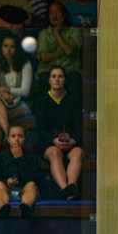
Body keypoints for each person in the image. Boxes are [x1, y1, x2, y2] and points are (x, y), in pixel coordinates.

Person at [34, 66, 83, 200]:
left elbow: (78, 128)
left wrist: (72, 140)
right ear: (49, 80)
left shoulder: (73, 100)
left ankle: (71, 186)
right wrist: (54, 140)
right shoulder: (41, 101)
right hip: (49, 141)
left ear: (65, 80)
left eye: (60, 76)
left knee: (78, 153)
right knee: (55, 152)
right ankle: (66, 189)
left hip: (70, 141)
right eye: (54, 76)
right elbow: (41, 130)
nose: (57, 79)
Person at [0, 35, 33, 154]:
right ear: (1, 48)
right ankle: (8, 132)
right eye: (5, 46)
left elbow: (25, 91)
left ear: (17, 49)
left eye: (12, 47)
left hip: (21, 104)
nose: (8, 49)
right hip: (2, 104)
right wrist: (3, 95)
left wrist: (5, 89)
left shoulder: (26, 64)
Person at [0, 124, 39, 218]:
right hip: (5, 190)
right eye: (13, 136)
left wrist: (19, 158)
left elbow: (33, 178)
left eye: (20, 136)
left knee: (32, 185)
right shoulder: (0, 156)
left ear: (25, 139)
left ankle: (26, 207)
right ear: (8, 139)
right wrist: (7, 181)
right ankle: (3, 208)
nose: (17, 139)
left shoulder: (32, 156)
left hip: (24, 191)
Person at [37, 2, 83, 98]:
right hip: (48, 68)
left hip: (69, 68)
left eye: (58, 12)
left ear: (64, 15)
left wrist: (57, 34)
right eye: (51, 13)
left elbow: (69, 51)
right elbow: (44, 57)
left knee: (74, 77)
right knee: (44, 77)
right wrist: (65, 51)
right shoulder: (44, 33)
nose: (54, 16)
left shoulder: (74, 31)